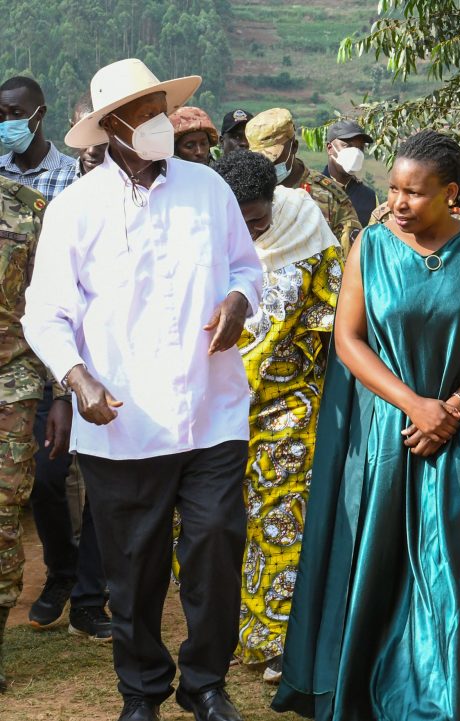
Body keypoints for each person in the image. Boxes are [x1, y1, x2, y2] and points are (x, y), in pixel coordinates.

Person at [22, 58, 262, 721]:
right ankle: (142, 690)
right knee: (133, 567)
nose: (160, 119)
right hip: (121, 419)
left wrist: (241, 298)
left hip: (210, 409)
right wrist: (77, 379)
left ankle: (206, 682)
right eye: (146, 111)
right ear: (114, 127)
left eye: (162, 105)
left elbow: (247, 266)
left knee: (215, 542)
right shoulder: (76, 208)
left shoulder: (208, 189)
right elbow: (46, 312)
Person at [273, 130, 460, 720]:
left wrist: (453, 408)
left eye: (414, 193)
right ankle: (374, 687)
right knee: (379, 561)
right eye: (393, 190)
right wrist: (416, 406)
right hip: (390, 428)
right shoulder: (370, 244)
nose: (398, 203)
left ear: (451, 195)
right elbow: (348, 340)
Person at [211, 150, 343, 684]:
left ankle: (272, 641)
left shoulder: (306, 232)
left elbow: (336, 323)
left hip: (288, 408)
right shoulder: (203, 238)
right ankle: (221, 631)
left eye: (257, 219)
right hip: (213, 408)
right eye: (236, 221)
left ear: (275, 203)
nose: (247, 231)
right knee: (213, 527)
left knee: (280, 524)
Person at [25, 91, 109, 642]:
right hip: (37, 356)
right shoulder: (40, 197)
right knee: (47, 477)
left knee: (101, 479)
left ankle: (89, 596)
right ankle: (60, 572)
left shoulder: (83, 189)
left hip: (101, 358)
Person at [0, 174, 57, 693]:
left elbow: (51, 304)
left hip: (9, 383)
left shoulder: (27, 207)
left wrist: (60, 393)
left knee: (2, 516)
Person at [246, 108, 361, 261]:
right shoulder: (246, 192)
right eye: (261, 158)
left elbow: (352, 261)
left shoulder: (329, 197)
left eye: (274, 157)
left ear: (294, 147)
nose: (268, 164)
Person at [0, 76, 77, 200]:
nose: (7, 121)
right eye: (1, 115)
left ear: (40, 113)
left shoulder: (72, 175)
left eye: (17, 113)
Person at [323, 119, 377, 227]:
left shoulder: (369, 197)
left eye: (360, 147)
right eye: (348, 146)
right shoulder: (312, 191)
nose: (356, 153)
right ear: (329, 148)